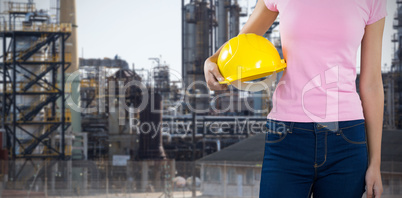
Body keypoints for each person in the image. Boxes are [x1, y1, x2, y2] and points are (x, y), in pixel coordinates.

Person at [204, 0, 387, 197]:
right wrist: (212, 61)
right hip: (286, 136)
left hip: (346, 139)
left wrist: (375, 163)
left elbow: (372, 84)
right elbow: (242, 43)